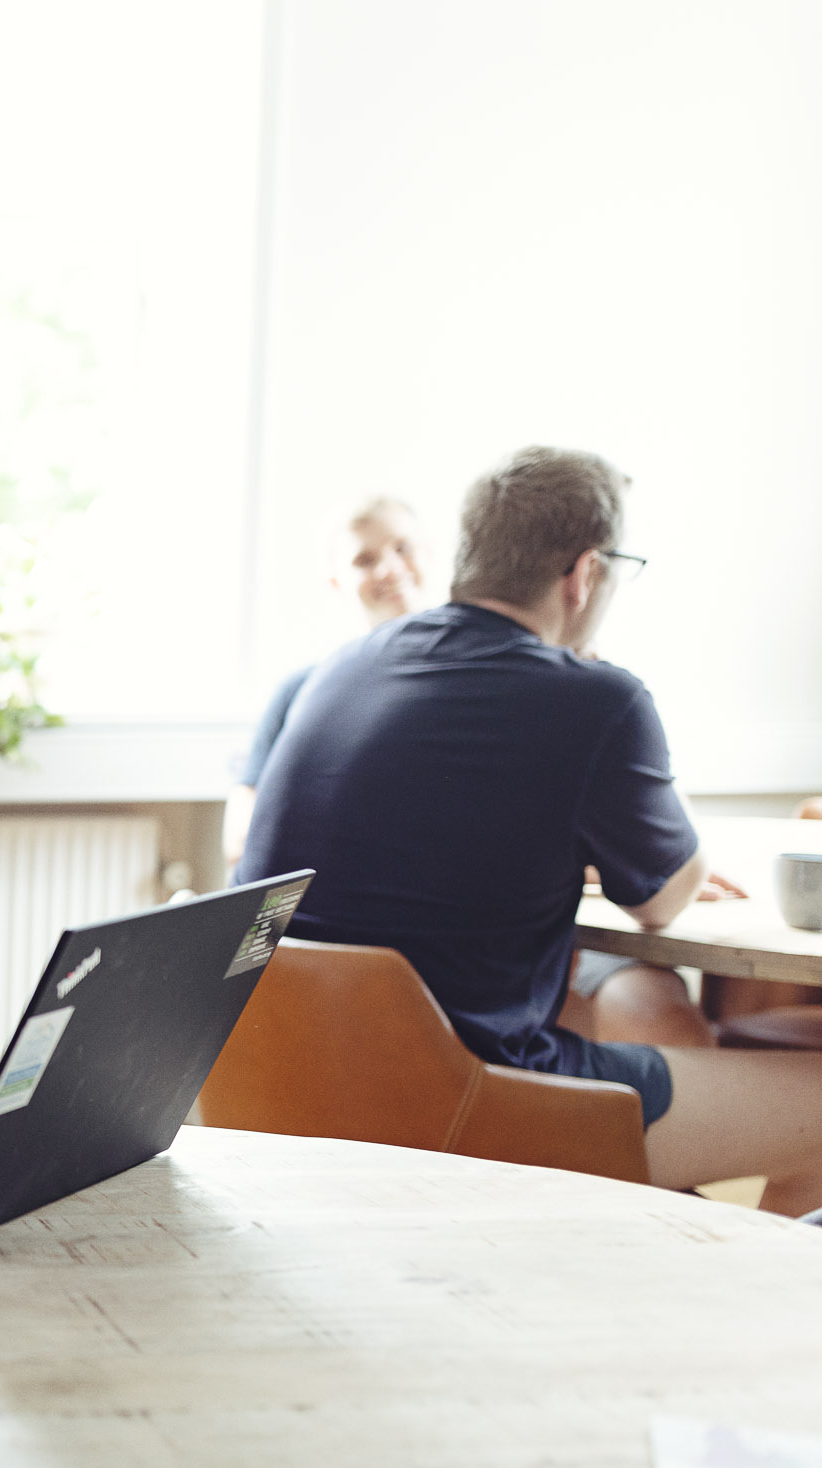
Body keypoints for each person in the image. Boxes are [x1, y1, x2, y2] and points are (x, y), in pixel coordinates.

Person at [236, 445, 822, 1214]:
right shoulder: (597, 700)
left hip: (278, 1084)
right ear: (585, 574)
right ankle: (739, 1317)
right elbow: (663, 902)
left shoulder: (340, 670)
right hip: (470, 1098)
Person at [224, 497, 426, 863]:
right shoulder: (300, 689)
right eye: (365, 560)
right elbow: (239, 840)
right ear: (336, 581)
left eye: (403, 548)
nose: (391, 569)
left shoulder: (469, 682)